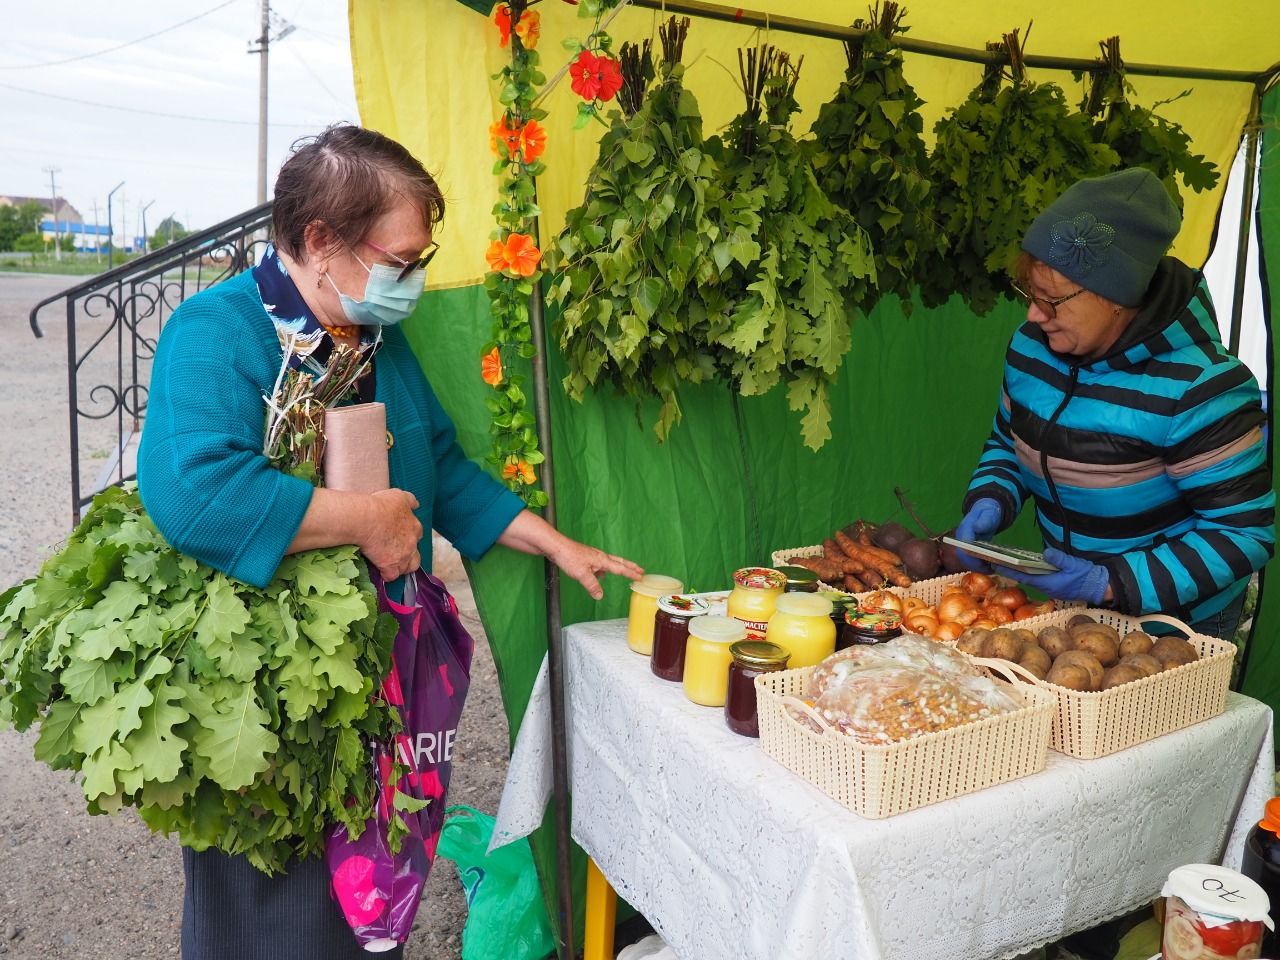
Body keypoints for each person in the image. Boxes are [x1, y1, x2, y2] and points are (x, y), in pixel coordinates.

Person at [136, 123, 643, 960]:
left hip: (376, 680)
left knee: (365, 892)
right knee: (275, 907)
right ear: (319, 240)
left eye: (420, 259)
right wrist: (365, 520)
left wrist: (553, 544)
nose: (410, 280)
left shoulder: (374, 337)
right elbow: (196, 492)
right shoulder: (217, 331)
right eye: (400, 261)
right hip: (268, 700)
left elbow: (438, 457)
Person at [955, 167, 1274, 640]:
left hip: (1178, 622)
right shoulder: (1030, 348)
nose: (1033, 314)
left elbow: (1244, 534)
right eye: (1030, 294)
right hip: (1075, 608)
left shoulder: (1201, 387)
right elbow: (1008, 440)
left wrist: (1112, 583)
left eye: (1052, 301)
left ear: (1117, 297)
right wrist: (992, 498)